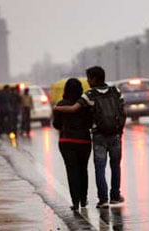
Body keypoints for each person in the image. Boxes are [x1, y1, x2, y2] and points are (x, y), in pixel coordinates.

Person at [54, 66, 126, 208]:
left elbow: (71, 111)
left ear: (93, 79)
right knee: (114, 166)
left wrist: (56, 108)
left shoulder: (89, 96)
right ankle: (114, 195)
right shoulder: (115, 91)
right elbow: (123, 112)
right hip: (104, 137)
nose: (87, 81)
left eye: (88, 78)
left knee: (97, 168)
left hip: (91, 137)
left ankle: (99, 200)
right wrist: (120, 131)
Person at [53, 78, 93, 211]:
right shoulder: (85, 105)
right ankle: (83, 199)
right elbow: (89, 123)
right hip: (84, 142)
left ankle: (75, 202)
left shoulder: (60, 104)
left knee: (72, 171)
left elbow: (56, 124)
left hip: (67, 142)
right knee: (83, 170)